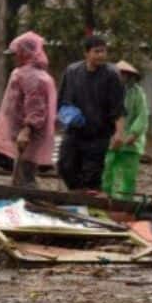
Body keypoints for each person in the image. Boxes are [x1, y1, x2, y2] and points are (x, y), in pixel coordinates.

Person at [57, 35, 126, 191]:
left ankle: (88, 204)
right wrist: (67, 115)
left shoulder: (112, 75)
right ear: (86, 53)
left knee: (92, 174)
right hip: (74, 132)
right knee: (65, 166)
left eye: (103, 51)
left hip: (98, 134)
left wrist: (119, 133)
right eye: (97, 51)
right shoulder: (72, 71)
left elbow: (118, 107)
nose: (101, 55)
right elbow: (62, 101)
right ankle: (78, 197)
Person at [0, 31, 57, 188]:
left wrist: (26, 130)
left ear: (24, 52)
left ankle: (28, 206)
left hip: (28, 136)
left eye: (15, 54)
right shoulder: (26, 72)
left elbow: (35, 107)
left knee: (25, 176)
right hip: (21, 133)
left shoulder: (32, 76)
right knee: (21, 173)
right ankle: (23, 203)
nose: (13, 57)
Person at [101, 60, 149, 200]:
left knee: (128, 175)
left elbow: (142, 115)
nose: (121, 77)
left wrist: (133, 134)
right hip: (109, 138)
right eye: (118, 74)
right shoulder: (105, 92)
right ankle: (105, 200)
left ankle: (125, 203)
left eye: (124, 75)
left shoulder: (137, 93)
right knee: (106, 171)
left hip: (130, 142)